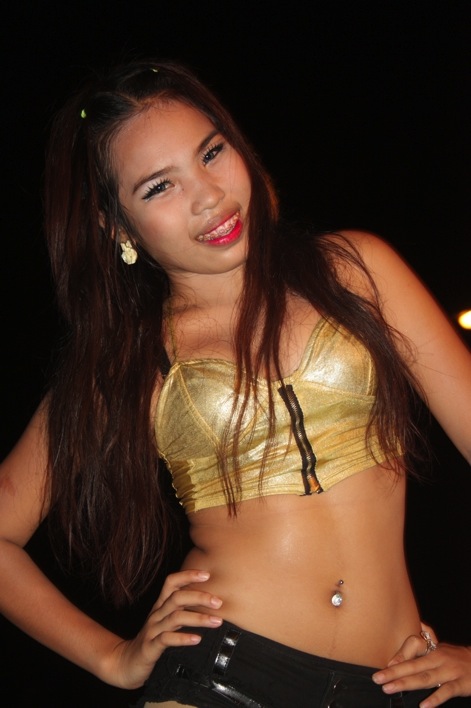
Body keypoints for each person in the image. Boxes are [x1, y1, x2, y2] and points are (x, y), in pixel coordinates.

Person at [0, 59, 470, 708]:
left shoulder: (356, 271)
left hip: (394, 685)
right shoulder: (127, 359)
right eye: (159, 187)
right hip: (221, 678)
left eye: (211, 153)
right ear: (117, 227)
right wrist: (112, 657)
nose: (208, 196)